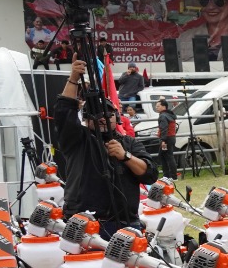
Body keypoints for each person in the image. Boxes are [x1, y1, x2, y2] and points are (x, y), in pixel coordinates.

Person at [50, 59, 159, 236]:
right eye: (95, 114)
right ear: (86, 120)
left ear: (117, 117)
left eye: (108, 113)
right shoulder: (78, 139)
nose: (102, 118)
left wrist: (125, 156)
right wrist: (73, 79)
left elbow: (150, 174)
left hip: (125, 224)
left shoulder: (129, 143)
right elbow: (63, 113)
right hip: (84, 224)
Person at [154, 98, 179, 175]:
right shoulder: (170, 114)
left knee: (164, 156)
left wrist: (163, 140)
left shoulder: (163, 116)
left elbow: (164, 128)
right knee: (168, 156)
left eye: (158, 106)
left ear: (164, 106)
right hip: (171, 137)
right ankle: (170, 175)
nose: (156, 107)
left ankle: (169, 175)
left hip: (166, 139)